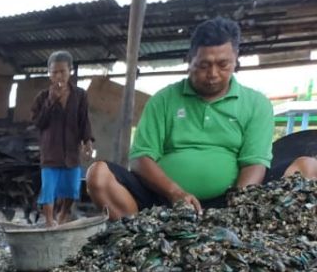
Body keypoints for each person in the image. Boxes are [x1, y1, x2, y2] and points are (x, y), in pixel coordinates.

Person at [85, 17, 274, 221]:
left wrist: (236, 208)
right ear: (189, 61)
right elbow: (140, 159)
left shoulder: (256, 104)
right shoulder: (164, 99)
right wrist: (175, 193)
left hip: (227, 203)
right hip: (162, 201)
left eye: (223, 65)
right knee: (98, 175)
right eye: (203, 65)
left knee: (304, 168)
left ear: (236, 60)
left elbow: (254, 163)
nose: (212, 74)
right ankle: (140, 236)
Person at [31, 50, 94, 227]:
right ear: (49, 73)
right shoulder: (42, 97)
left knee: (72, 190)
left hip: (71, 152)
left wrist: (87, 140)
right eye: (54, 72)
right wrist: (51, 100)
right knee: (48, 190)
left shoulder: (80, 95)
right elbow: (38, 123)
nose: (58, 75)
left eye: (62, 71)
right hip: (51, 151)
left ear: (70, 71)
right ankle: (50, 221)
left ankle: (62, 216)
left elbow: (84, 120)